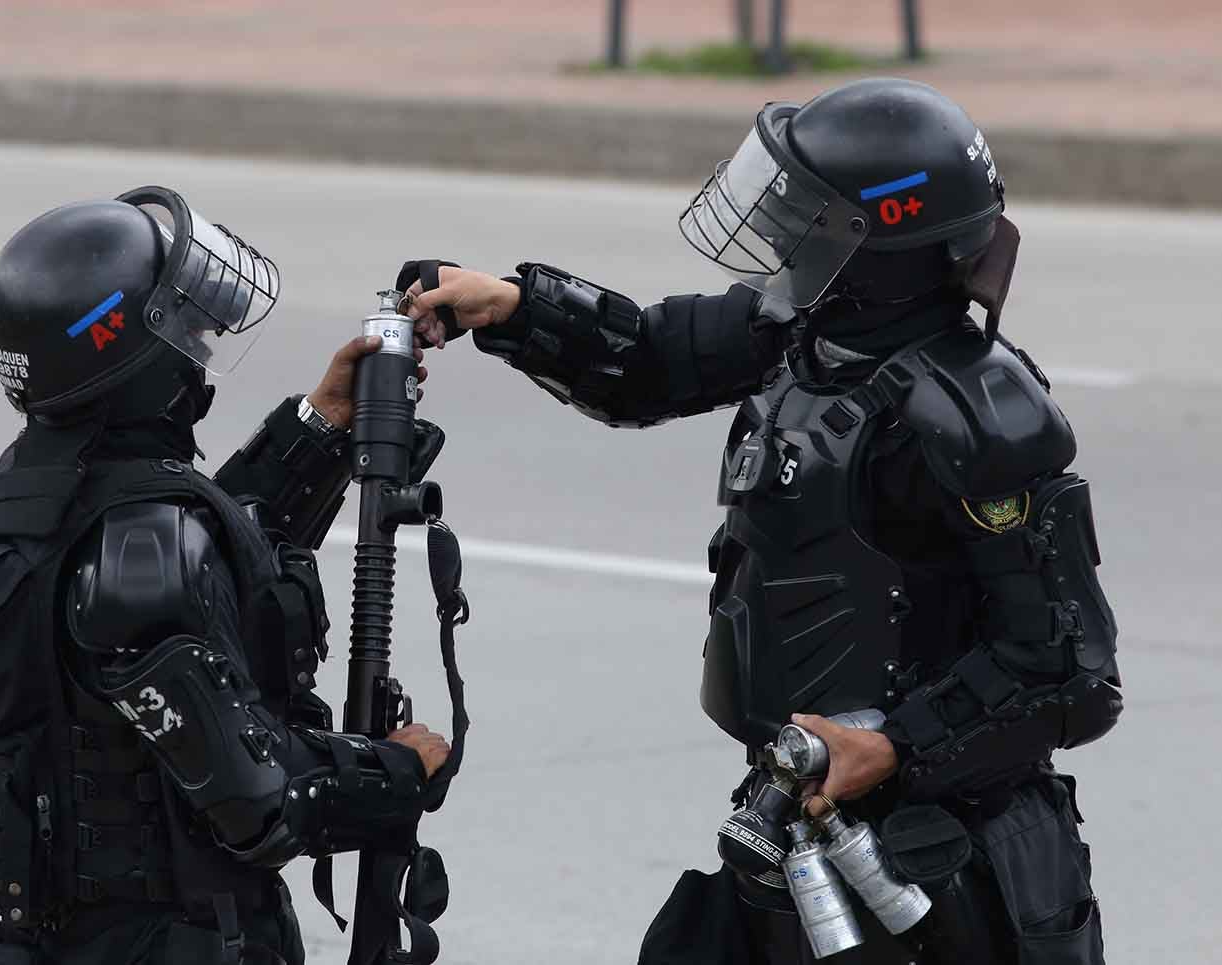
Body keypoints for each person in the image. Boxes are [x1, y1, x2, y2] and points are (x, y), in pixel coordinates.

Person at [398, 79, 1121, 963]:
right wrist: (512, 306)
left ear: (879, 240)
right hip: (801, 816)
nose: (781, 228)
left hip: (943, 865)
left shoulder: (978, 417)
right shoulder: (811, 333)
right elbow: (653, 357)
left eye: (807, 212)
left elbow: (1070, 669)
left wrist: (895, 744)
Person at [0, 186, 451, 965]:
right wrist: (395, 769)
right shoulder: (145, 552)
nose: (201, 346)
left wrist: (320, 425)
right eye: (190, 330)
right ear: (130, 351)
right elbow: (263, 802)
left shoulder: (29, 510)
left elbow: (218, 557)